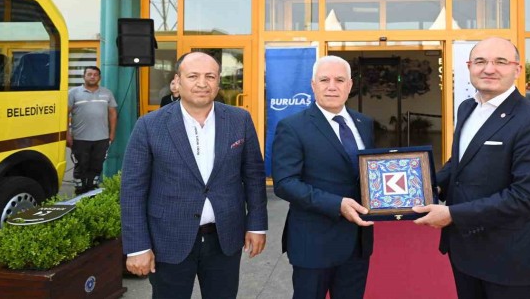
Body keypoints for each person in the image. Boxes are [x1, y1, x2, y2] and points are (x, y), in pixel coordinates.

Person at [412, 37, 530, 299]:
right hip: (465, 249)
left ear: (517, 69)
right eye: (480, 61)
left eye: (500, 61)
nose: (489, 69)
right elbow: (459, 162)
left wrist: (452, 214)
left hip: (509, 256)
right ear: (469, 67)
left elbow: (526, 197)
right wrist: (428, 186)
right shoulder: (467, 108)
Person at [121, 52, 268, 299]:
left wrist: (257, 225)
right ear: (177, 82)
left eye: (210, 76)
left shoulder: (239, 119)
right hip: (168, 239)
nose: (202, 83)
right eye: (193, 76)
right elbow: (132, 190)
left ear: (218, 82)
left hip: (224, 238)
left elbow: (254, 176)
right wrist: (137, 247)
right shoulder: (149, 125)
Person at [272, 55, 375, 299]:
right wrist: (337, 204)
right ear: (313, 84)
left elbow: (368, 173)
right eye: (324, 80)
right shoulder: (292, 127)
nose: (332, 86)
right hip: (313, 243)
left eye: (339, 80)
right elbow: (285, 183)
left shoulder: (364, 123)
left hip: (357, 243)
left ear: (350, 85)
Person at [67, 66, 117, 194]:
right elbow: (64, 114)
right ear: (84, 76)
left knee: (97, 165)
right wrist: (67, 134)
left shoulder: (107, 93)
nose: (92, 77)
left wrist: (112, 133)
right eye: (89, 74)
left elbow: (112, 113)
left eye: (95, 74)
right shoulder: (73, 93)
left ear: (99, 77)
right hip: (80, 138)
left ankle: (92, 190)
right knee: (81, 165)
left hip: (102, 138)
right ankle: (79, 190)